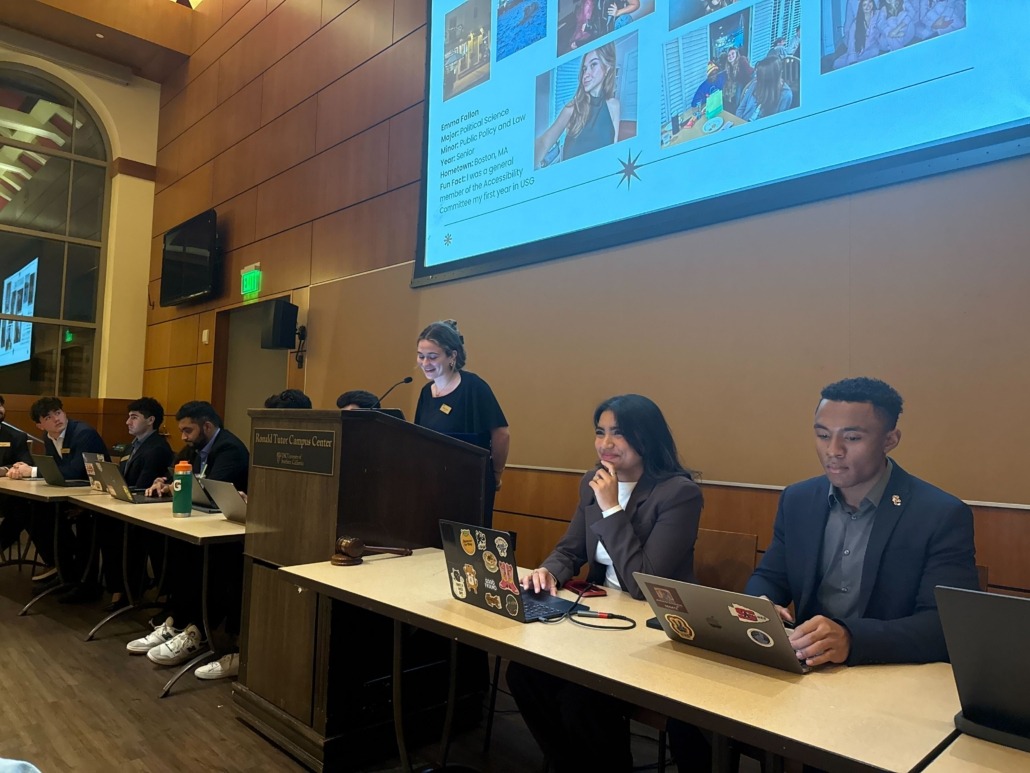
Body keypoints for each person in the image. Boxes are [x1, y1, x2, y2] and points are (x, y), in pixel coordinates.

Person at [667, 377, 980, 767]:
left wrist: (851, 638)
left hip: (890, 689)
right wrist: (760, 602)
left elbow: (943, 628)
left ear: (890, 439)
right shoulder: (799, 499)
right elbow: (772, 576)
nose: (833, 451)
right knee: (688, 712)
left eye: (852, 438)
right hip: (808, 677)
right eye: (822, 434)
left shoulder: (938, 514)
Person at [507, 394, 702, 772]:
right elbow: (571, 548)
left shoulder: (679, 494)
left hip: (652, 630)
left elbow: (642, 584)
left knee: (582, 700)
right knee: (524, 674)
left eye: (619, 434)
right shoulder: (592, 482)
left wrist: (612, 507)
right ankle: (566, 763)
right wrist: (548, 571)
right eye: (600, 432)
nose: (605, 444)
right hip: (600, 619)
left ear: (646, 439)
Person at [130, 401, 250, 680]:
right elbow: (177, 470)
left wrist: (177, 483)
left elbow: (209, 490)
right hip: (207, 524)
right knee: (173, 550)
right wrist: (163, 480)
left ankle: (197, 629)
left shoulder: (230, 449)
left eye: (188, 430)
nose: (183, 437)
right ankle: (181, 621)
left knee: (195, 560)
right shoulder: (196, 447)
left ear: (206, 426)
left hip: (230, 535)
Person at [7, 397, 108, 595]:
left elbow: (74, 472)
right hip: (71, 494)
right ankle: (62, 568)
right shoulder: (49, 438)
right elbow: (55, 471)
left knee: (45, 515)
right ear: (40, 425)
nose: (56, 419)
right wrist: (26, 469)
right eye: (48, 417)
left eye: (58, 412)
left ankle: (76, 577)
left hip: (96, 496)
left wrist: (32, 472)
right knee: (29, 509)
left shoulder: (83, 434)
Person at [414, 320, 509, 525]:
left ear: (452, 356)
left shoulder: (474, 387)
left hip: (469, 484)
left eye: (432, 357)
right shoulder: (425, 393)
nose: (425, 363)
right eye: (421, 356)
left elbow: (501, 433)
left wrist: (496, 474)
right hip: (432, 484)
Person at [96, 398, 174, 611]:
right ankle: (119, 586)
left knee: (108, 529)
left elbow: (141, 486)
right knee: (98, 522)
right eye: (128, 417)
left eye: (134, 417)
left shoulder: (157, 448)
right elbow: (121, 478)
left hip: (146, 513)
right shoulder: (133, 445)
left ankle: (124, 588)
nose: (127, 422)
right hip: (128, 505)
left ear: (151, 420)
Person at [535, 43, 620, 168]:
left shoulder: (614, 106)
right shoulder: (573, 108)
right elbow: (544, 142)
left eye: (593, 65)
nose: (585, 75)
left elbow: (615, 151)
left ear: (607, 68)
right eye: (584, 69)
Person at [0, 395, 34, 554]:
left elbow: (26, 462)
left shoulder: (16, 436)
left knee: (22, 509)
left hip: (5, 496)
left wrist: (6, 470)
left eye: (1, 405)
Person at [737, 55, 793, 121]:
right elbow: (741, 108)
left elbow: (777, 123)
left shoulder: (785, 95)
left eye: (759, 76)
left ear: (768, 80)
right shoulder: (755, 83)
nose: (755, 78)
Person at [834, 0, 884, 69]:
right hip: (855, 42)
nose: (867, 6)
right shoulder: (852, 3)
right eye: (864, 5)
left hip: (873, 44)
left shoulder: (877, 12)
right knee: (837, 61)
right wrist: (852, 47)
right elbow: (848, 27)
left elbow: (881, 25)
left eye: (869, 3)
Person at [720, 46, 753, 114]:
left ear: (736, 53)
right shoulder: (729, 66)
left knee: (738, 96)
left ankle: (738, 110)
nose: (731, 56)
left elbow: (751, 73)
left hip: (747, 83)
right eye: (729, 55)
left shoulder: (742, 60)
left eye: (733, 53)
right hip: (739, 83)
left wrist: (750, 86)